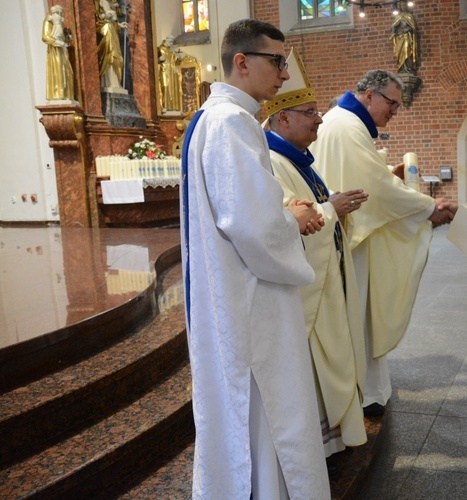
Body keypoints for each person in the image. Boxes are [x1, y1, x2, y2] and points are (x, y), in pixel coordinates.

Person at [180, 19, 330, 499]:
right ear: (241, 62)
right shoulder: (231, 122)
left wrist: (278, 213)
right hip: (251, 299)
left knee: (256, 414)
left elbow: (240, 211)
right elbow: (254, 228)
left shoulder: (218, 118)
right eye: (278, 62)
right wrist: (293, 218)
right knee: (269, 411)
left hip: (235, 289)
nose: (285, 75)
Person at [310, 69, 456, 417]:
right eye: (392, 103)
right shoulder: (346, 126)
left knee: (358, 316)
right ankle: (361, 391)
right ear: (369, 94)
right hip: (349, 237)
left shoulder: (345, 122)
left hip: (346, 231)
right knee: (357, 315)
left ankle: (364, 388)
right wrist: (427, 207)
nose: (394, 111)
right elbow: (373, 187)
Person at [265, 48, 369, 457]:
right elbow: (285, 223)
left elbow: (309, 210)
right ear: (284, 118)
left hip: (325, 281)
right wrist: (332, 209)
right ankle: (316, 446)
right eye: (310, 112)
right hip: (304, 294)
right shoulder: (271, 162)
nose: (320, 118)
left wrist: (334, 206)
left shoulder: (300, 160)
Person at [42, 5, 75, 101]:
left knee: (68, 71)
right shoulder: (48, 21)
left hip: (62, 49)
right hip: (55, 50)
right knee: (59, 70)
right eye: (59, 12)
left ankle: (67, 95)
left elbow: (61, 35)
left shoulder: (58, 22)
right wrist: (57, 42)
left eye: (61, 12)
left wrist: (67, 39)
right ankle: (59, 95)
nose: (60, 14)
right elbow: (45, 37)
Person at [96, 0, 128, 89]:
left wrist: (120, 25)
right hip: (108, 30)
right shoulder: (102, 1)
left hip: (112, 29)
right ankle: (108, 82)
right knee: (111, 54)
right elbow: (105, 16)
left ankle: (116, 82)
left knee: (118, 57)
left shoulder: (111, 3)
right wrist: (112, 12)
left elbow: (113, 19)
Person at [157, 35, 182, 112]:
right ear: (166, 40)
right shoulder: (160, 49)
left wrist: (179, 58)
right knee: (165, 87)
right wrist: (159, 59)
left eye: (172, 42)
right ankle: (164, 106)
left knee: (174, 89)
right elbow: (154, 60)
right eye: (170, 41)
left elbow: (177, 62)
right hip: (165, 71)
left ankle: (174, 107)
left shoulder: (172, 50)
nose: (171, 43)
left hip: (173, 72)